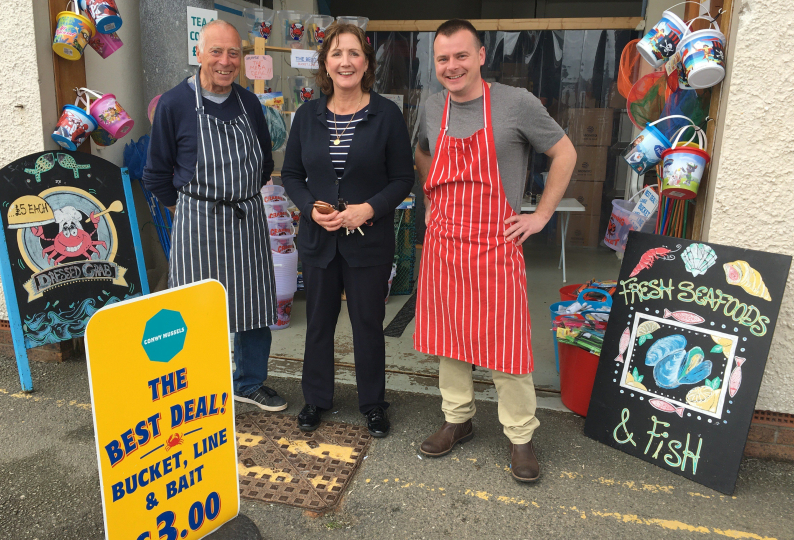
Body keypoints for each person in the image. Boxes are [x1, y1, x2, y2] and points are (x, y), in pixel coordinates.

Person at [413, 19, 577, 482]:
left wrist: (541, 215)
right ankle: (457, 419)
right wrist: (430, 200)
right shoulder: (431, 107)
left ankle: (521, 437)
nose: (452, 66)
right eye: (443, 58)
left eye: (461, 55)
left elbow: (564, 153)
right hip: (445, 242)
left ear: (481, 56)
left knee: (506, 346)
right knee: (450, 341)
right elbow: (423, 153)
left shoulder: (515, 104)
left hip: (495, 242)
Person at [143, 20, 286, 412]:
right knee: (195, 309)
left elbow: (264, 160)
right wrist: (186, 208)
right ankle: (197, 388)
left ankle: (249, 382)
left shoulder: (249, 103)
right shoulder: (174, 104)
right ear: (199, 54)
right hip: (197, 219)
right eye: (216, 52)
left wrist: (242, 194)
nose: (225, 61)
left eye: (234, 53)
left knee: (254, 304)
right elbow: (155, 173)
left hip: (247, 215)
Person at [281, 23, 414, 437]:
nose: (346, 61)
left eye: (354, 53)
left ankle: (373, 403)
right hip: (319, 240)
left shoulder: (386, 115)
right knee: (318, 322)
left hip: (368, 241)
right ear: (325, 63)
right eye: (337, 53)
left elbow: (402, 178)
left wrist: (368, 210)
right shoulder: (307, 116)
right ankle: (316, 399)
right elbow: (292, 174)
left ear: (367, 63)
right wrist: (308, 208)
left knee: (367, 324)